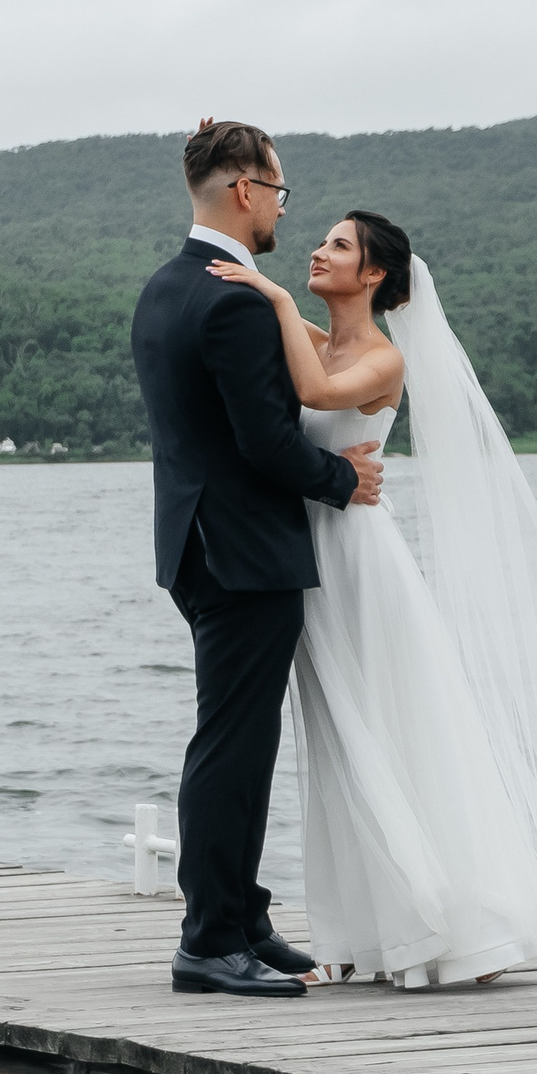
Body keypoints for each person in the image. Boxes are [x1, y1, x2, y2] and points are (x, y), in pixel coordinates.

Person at [204, 210, 537, 986]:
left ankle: (451, 920)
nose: (318, 250)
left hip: (359, 562)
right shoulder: (325, 341)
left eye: (339, 245)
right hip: (309, 557)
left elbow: (315, 391)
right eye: (320, 239)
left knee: (387, 725)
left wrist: (276, 298)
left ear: (375, 274)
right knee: (341, 739)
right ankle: (369, 929)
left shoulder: (381, 358)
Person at [131, 120, 384, 999]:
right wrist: (342, 480)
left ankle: (242, 917)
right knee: (231, 746)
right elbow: (266, 444)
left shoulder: (165, 286)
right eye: (280, 193)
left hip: (197, 544)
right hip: (243, 549)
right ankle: (207, 939)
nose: (283, 211)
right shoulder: (235, 298)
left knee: (244, 737)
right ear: (246, 191)